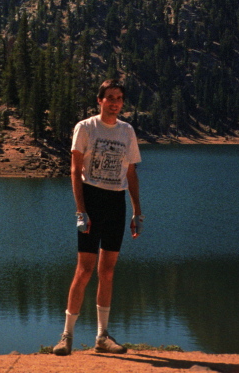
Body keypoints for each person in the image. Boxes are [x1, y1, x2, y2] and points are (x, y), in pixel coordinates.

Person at [52, 79, 142, 356]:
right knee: (84, 270)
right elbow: (74, 169)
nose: (114, 102)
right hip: (91, 200)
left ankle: (102, 336)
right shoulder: (86, 127)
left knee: (108, 272)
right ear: (99, 100)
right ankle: (66, 336)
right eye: (110, 97)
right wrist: (81, 210)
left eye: (119, 98)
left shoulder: (127, 131)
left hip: (116, 203)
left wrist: (137, 210)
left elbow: (130, 173)